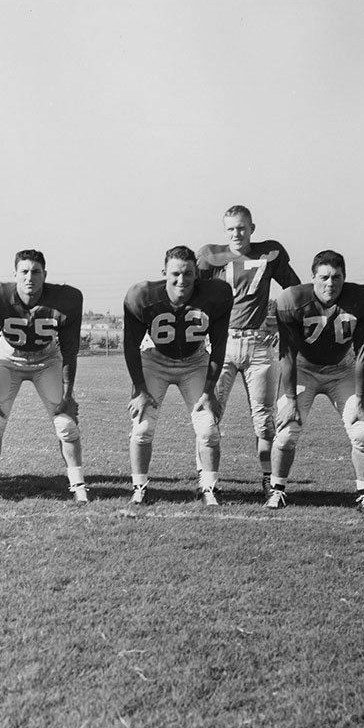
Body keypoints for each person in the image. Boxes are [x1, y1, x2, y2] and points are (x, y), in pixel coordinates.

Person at [271, 250, 364, 514]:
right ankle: (277, 490)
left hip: (342, 369)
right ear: (312, 278)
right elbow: (286, 355)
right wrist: (290, 400)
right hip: (303, 368)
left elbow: (363, 352)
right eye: (323, 277)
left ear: (344, 278)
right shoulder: (292, 300)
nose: (330, 283)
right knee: (287, 430)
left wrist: (360, 399)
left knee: (362, 431)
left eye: (336, 277)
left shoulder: (361, 299)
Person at [197, 204, 301, 502]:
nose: (236, 234)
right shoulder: (210, 256)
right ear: (224, 230)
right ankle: (206, 479)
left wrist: (279, 323)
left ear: (252, 228)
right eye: (230, 228)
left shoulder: (269, 253)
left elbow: (294, 291)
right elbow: (194, 294)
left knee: (264, 419)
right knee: (209, 415)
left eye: (241, 228)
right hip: (223, 343)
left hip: (258, 345)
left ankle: (268, 479)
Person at [123, 245, 234, 505]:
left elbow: (219, 345)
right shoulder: (143, 295)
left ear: (197, 274)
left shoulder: (217, 294)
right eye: (175, 274)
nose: (181, 280)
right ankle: (139, 487)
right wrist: (139, 390)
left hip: (195, 361)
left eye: (188, 274)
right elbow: (130, 346)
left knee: (208, 430)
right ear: (164, 273)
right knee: (142, 427)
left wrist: (208, 391)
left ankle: (209, 488)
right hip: (155, 359)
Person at [0, 250, 88, 504]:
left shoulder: (66, 298)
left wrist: (68, 394)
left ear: (45, 275)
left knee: (66, 424)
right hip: (8, 359)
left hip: (47, 359)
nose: (30, 277)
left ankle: (78, 484)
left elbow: (70, 350)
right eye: (24, 271)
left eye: (36, 272)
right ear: (14, 274)